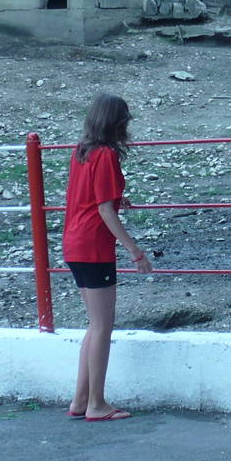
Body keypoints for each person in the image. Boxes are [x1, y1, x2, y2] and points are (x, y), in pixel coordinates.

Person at [63, 93, 152, 422]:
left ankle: (81, 400)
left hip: (74, 242)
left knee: (94, 325)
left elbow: (96, 198)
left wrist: (116, 200)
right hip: (93, 246)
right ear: (117, 123)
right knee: (102, 326)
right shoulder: (106, 155)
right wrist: (135, 251)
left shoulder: (82, 150)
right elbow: (103, 210)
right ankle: (97, 404)